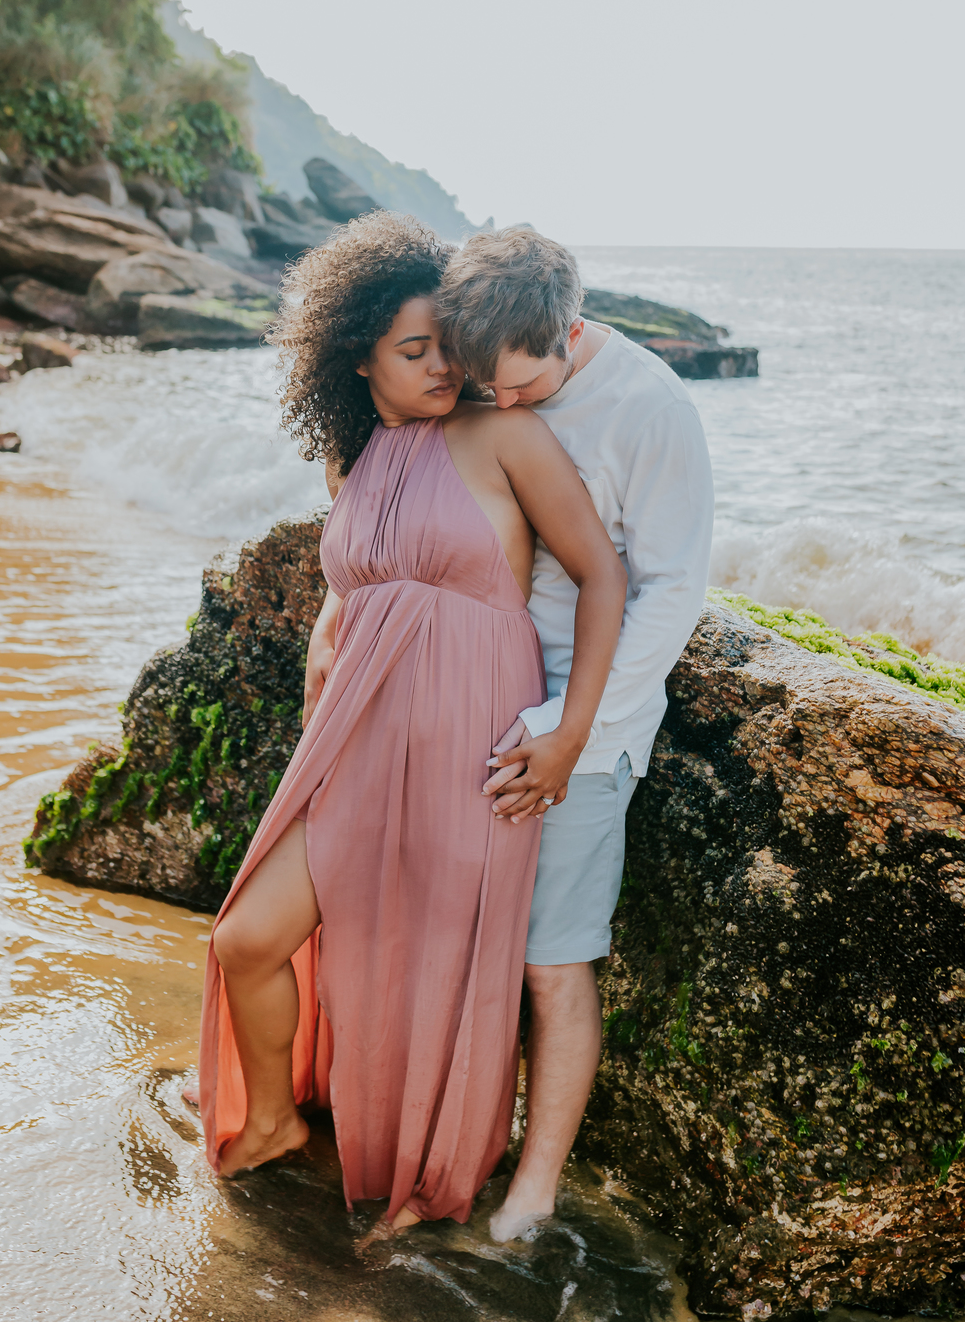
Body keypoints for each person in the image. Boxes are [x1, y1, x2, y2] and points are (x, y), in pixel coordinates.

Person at [196, 213, 627, 1244]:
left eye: (451, 344)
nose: (444, 367)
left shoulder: (505, 435)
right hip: (353, 738)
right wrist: (321, 665)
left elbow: (605, 573)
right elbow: (350, 594)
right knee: (245, 938)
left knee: (433, 970)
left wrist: (570, 734)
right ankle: (270, 1126)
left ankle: (422, 1178)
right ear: (358, 357)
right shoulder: (356, 460)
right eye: (415, 349)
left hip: (469, 743)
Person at [433, 227, 714, 1241]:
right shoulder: (482, 374)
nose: (500, 405)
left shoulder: (649, 407)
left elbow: (672, 588)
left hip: (584, 733)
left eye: (520, 386)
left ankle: (536, 1186)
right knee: (454, 941)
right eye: (484, 386)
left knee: (551, 963)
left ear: (569, 328)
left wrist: (567, 729)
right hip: (470, 700)